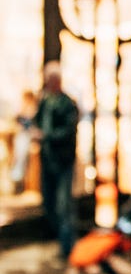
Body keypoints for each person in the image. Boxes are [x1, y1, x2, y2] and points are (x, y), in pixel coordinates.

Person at [33, 60, 79, 260]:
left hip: (63, 161)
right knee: (50, 203)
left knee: (64, 205)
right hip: (48, 160)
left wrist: (47, 136)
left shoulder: (67, 104)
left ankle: (68, 246)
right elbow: (37, 122)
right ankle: (60, 238)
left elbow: (68, 132)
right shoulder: (45, 101)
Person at [10, 89, 38, 193]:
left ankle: (19, 179)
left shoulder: (34, 109)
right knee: (20, 152)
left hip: (30, 137)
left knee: (23, 150)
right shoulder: (22, 110)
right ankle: (17, 179)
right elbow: (18, 122)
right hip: (24, 137)